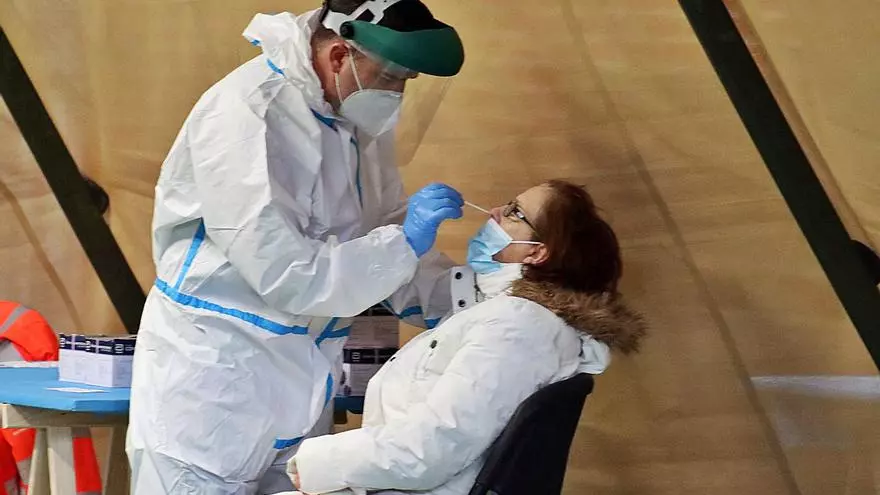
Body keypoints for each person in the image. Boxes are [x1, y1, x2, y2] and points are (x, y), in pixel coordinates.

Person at [126, 1, 467, 493]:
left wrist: (470, 298)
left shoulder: (354, 117)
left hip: (300, 390)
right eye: (392, 77)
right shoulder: (248, 114)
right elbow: (287, 273)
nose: (396, 95)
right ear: (339, 56)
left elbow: (386, 236)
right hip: (215, 392)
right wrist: (401, 245)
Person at [286, 180, 648, 495]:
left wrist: (315, 461)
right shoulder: (511, 314)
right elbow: (434, 295)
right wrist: (402, 243)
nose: (495, 212)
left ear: (538, 252)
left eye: (515, 212)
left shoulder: (519, 327)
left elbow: (430, 450)